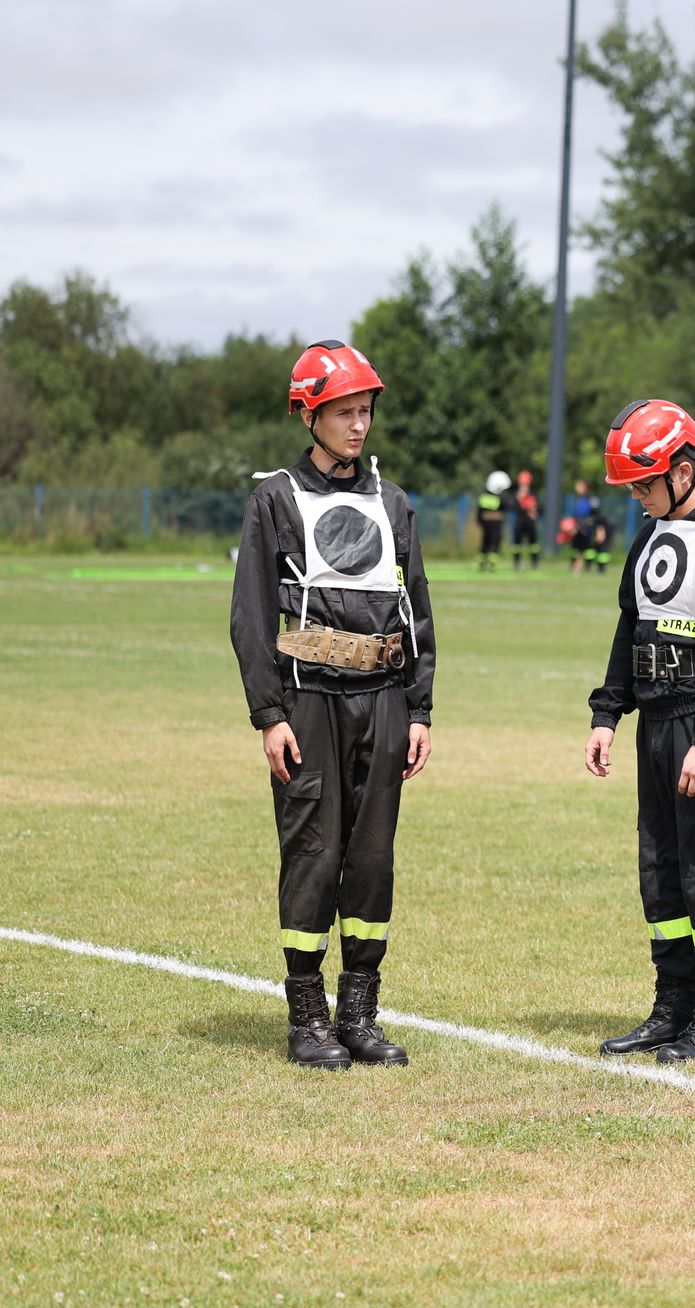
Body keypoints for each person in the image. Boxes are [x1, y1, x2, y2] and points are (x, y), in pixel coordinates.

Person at [229, 339, 434, 1070]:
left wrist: (419, 709)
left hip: (381, 697)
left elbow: (417, 611)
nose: (358, 425)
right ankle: (307, 1016)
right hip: (309, 699)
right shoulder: (275, 498)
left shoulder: (393, 502)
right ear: (309, 414)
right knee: (314, 853)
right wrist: (269, 714)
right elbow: (252, 616)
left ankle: (359, 1013)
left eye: (365, 410)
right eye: (345, 411)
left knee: (371, 858)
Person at [586, 399, 695, 1063]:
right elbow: (632, 625)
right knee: (659, 868)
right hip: (654, 718)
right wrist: (607, 712)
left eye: (645, 484)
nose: (637, 497)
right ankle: (673, 1005)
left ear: (684, 469)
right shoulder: (650, 533)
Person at [477, 470, 510, 573]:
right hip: (496, 524)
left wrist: (480, 522)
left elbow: (479, 512)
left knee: (485, 542)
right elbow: (506, 506)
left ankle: (482, 564)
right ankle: (492, 566)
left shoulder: (484, 496)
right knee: (495, 543)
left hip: (485, 524)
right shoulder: (499, 498)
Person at [569, 480, 602, 576]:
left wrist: (597, 527)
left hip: (588, 529)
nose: (577, 488)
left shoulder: (592, 499)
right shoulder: (578, 499)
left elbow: (597, 515)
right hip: (578, 528)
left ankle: (586, 568)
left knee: (588, 549)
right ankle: (575, 567)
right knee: (576, 549)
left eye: (579, 486)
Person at [512, 470, 541, 571]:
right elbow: (512, 506)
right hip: (519, 521)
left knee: (533, 545)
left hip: (530, 523)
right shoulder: (516, 494)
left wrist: (534, 510)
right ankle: (517, 563)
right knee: (517, 545)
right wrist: (519, 498)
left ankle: (535, 563)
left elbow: (539, 508)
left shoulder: (533, 495)